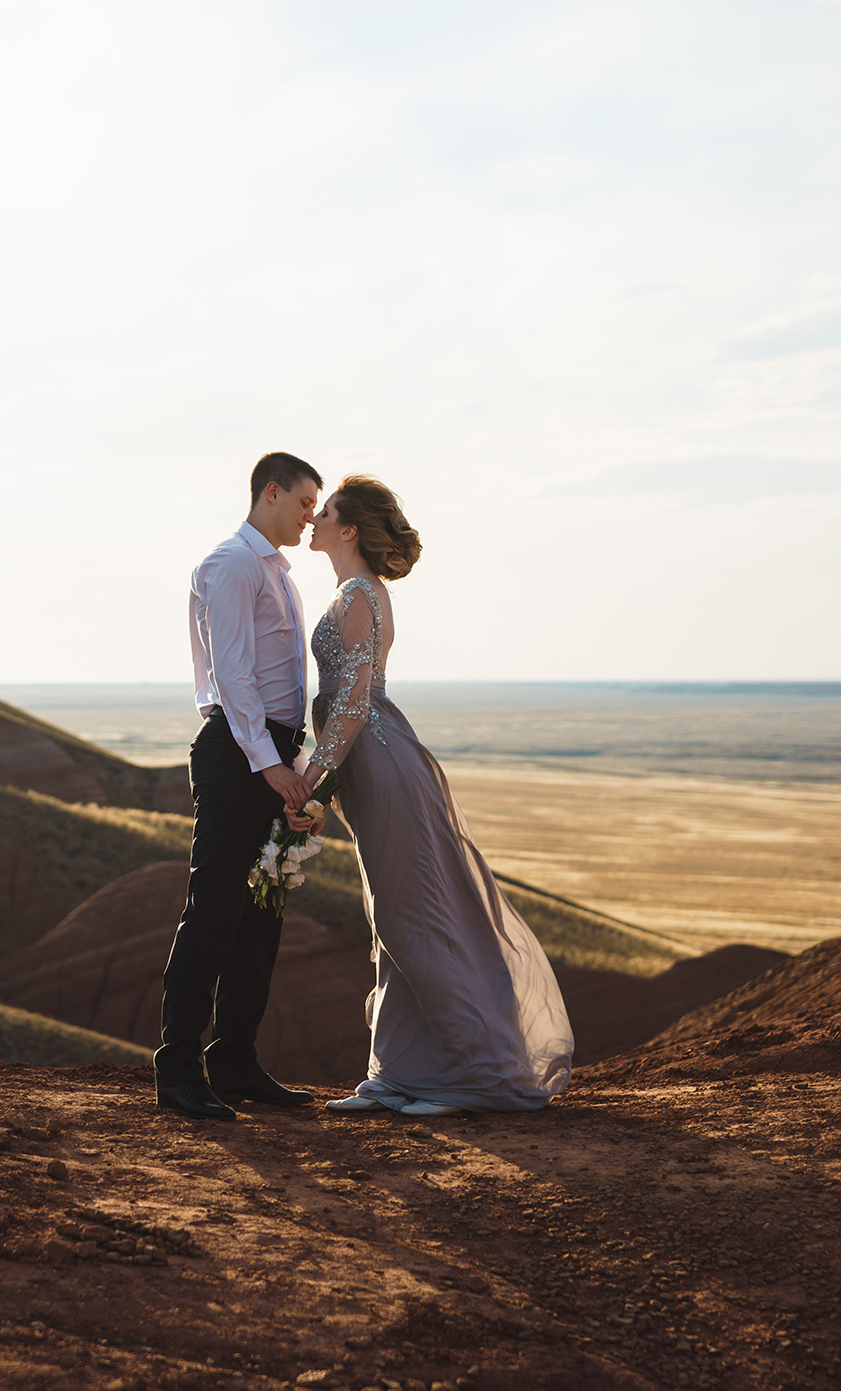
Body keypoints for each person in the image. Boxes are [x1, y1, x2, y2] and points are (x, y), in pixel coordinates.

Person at [288, 475, 574, 1116]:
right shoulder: (353, 591)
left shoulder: (360, 594)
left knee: (412, 922)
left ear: (349, 529)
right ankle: (402, 1075)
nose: (314, 518)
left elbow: (356, 698)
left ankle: (477, 1077)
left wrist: (314, 778)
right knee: (393, 921)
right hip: (369, 766)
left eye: (325, 511)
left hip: (382, 763)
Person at [154, 451, 323, 1121]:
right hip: (238, 754)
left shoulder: (275, 571)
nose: (312, 516)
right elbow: (233, 676)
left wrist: (296, 766)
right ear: (272, 492)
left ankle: (236, 1063)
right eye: (306, 502)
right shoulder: (231, 564)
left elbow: (281, 683)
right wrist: (269, 765)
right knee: (214, 911)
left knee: (262, 916)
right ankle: (178, 1073)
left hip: (272, 754)